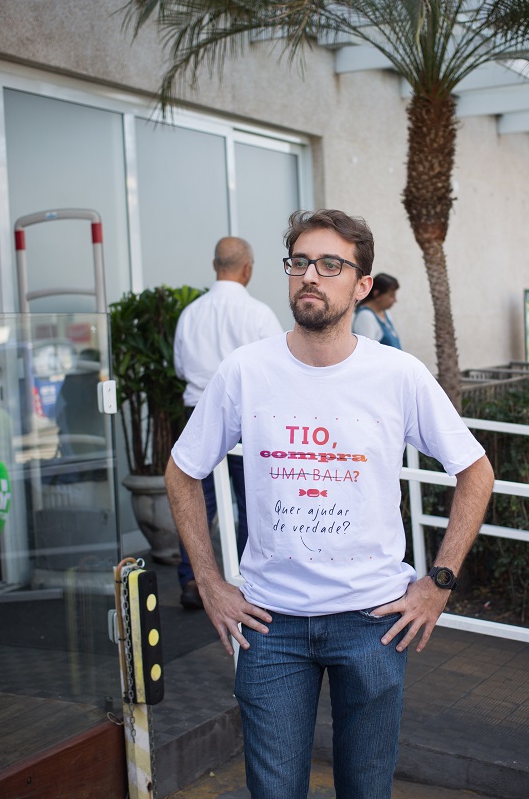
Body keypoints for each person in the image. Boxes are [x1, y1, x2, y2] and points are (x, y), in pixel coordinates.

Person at [166, 209, 494, 798]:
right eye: (299, 263)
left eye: (330, 265)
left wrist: (439, 583)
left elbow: (475, 471)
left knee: (366, 790)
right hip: (270, 625)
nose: (310, 276)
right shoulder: (245, 371)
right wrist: (210, 584)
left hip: (373, 622)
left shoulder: (398, 374)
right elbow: (182, 470)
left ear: (362, 285)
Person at [172, 236, 284, 609]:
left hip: (196, 412)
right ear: (247, 269)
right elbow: (276, 374)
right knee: (250, 499)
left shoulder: (190, 313)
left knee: (195, 498)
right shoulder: (259, 314)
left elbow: (180, 368)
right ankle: (249, 580)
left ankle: (192, 581)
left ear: (215, 265)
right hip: (247, 417)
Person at [352, 271, 401, 348]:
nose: (395, 300)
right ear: (376, 294)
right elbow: (367, 349)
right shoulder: (365, 316)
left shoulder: (386, 313)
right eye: (391, 296)